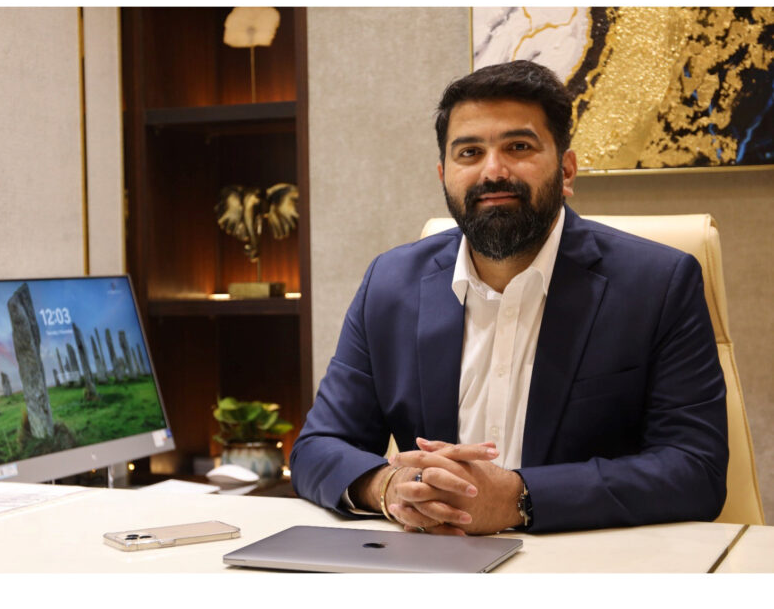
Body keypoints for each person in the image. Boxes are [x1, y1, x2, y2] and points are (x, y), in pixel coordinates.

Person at [289, 60, 728, 535]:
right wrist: (392, 487)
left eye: (518, 147)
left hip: (587, 558)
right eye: (469, 153)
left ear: (566, 169)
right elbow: (318, 447)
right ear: (443, 174)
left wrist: (520, 498)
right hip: (432, 558)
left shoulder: (658, 284)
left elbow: (695, 469)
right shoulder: (390, 285)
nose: (493, 171)